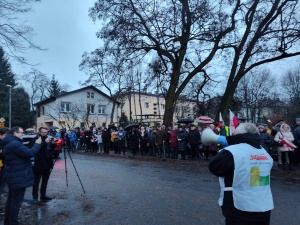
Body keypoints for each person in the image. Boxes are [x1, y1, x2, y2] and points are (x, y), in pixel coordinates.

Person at [208, 123, 274, 225]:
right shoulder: (264, 152)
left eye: (234, 133)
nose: (232, 135)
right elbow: (254, 179)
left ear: (240, 135)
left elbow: (215, 168)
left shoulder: (232, 151)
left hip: (240, 206)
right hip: (263, 206)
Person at [2, 126, 42, 225]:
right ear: (15, 133)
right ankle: (13, 222)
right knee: (16, 203)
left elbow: (22, 153)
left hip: (14, 175)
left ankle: (8, 221)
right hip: (18, 176)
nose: (22, 134)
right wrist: (37, 144)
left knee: (11, 201)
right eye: (21, 133)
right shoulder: (15, 143)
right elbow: (30, 153)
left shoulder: (9, 143)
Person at [28, 127, 54, 204]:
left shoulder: (48, 138)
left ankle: (43, 195)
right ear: (39, 132)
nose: (45, 134)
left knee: (45, 181)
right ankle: (35, 197)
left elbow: (50, 149)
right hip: (38, 163)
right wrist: (43, 142)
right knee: (36, 181)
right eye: (43, 132)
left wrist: (52, 144)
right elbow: (32, 150)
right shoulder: (35, 139)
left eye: (46, 132)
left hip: (47, 162)